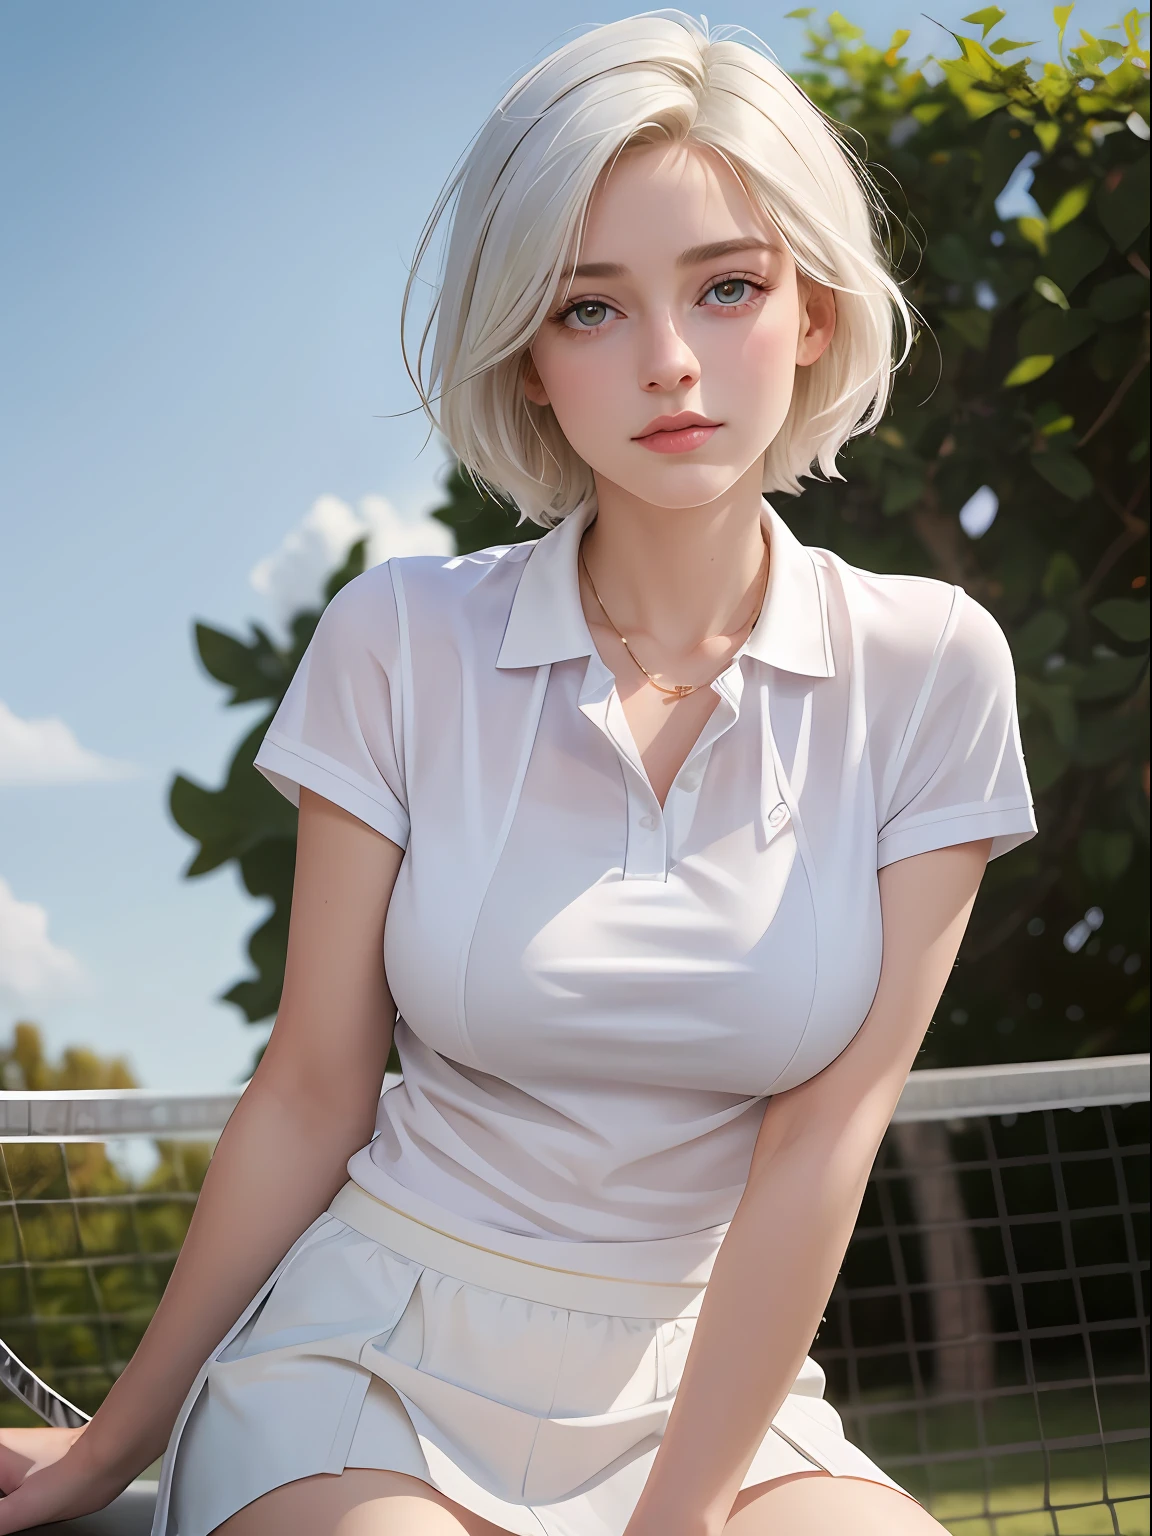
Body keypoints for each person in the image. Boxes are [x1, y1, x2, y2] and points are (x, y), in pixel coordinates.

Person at [0, 13, 1037, 1536]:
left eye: (728, 287)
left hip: (717, 1397)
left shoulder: (935, 666)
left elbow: (827, 1139)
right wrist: (102, 1456)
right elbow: (309, 1088)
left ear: (813, 312)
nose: (671, 360)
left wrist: (676, 1520)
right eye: (590, 308)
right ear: (530, 360)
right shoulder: (399, 640)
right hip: (371, 1371)